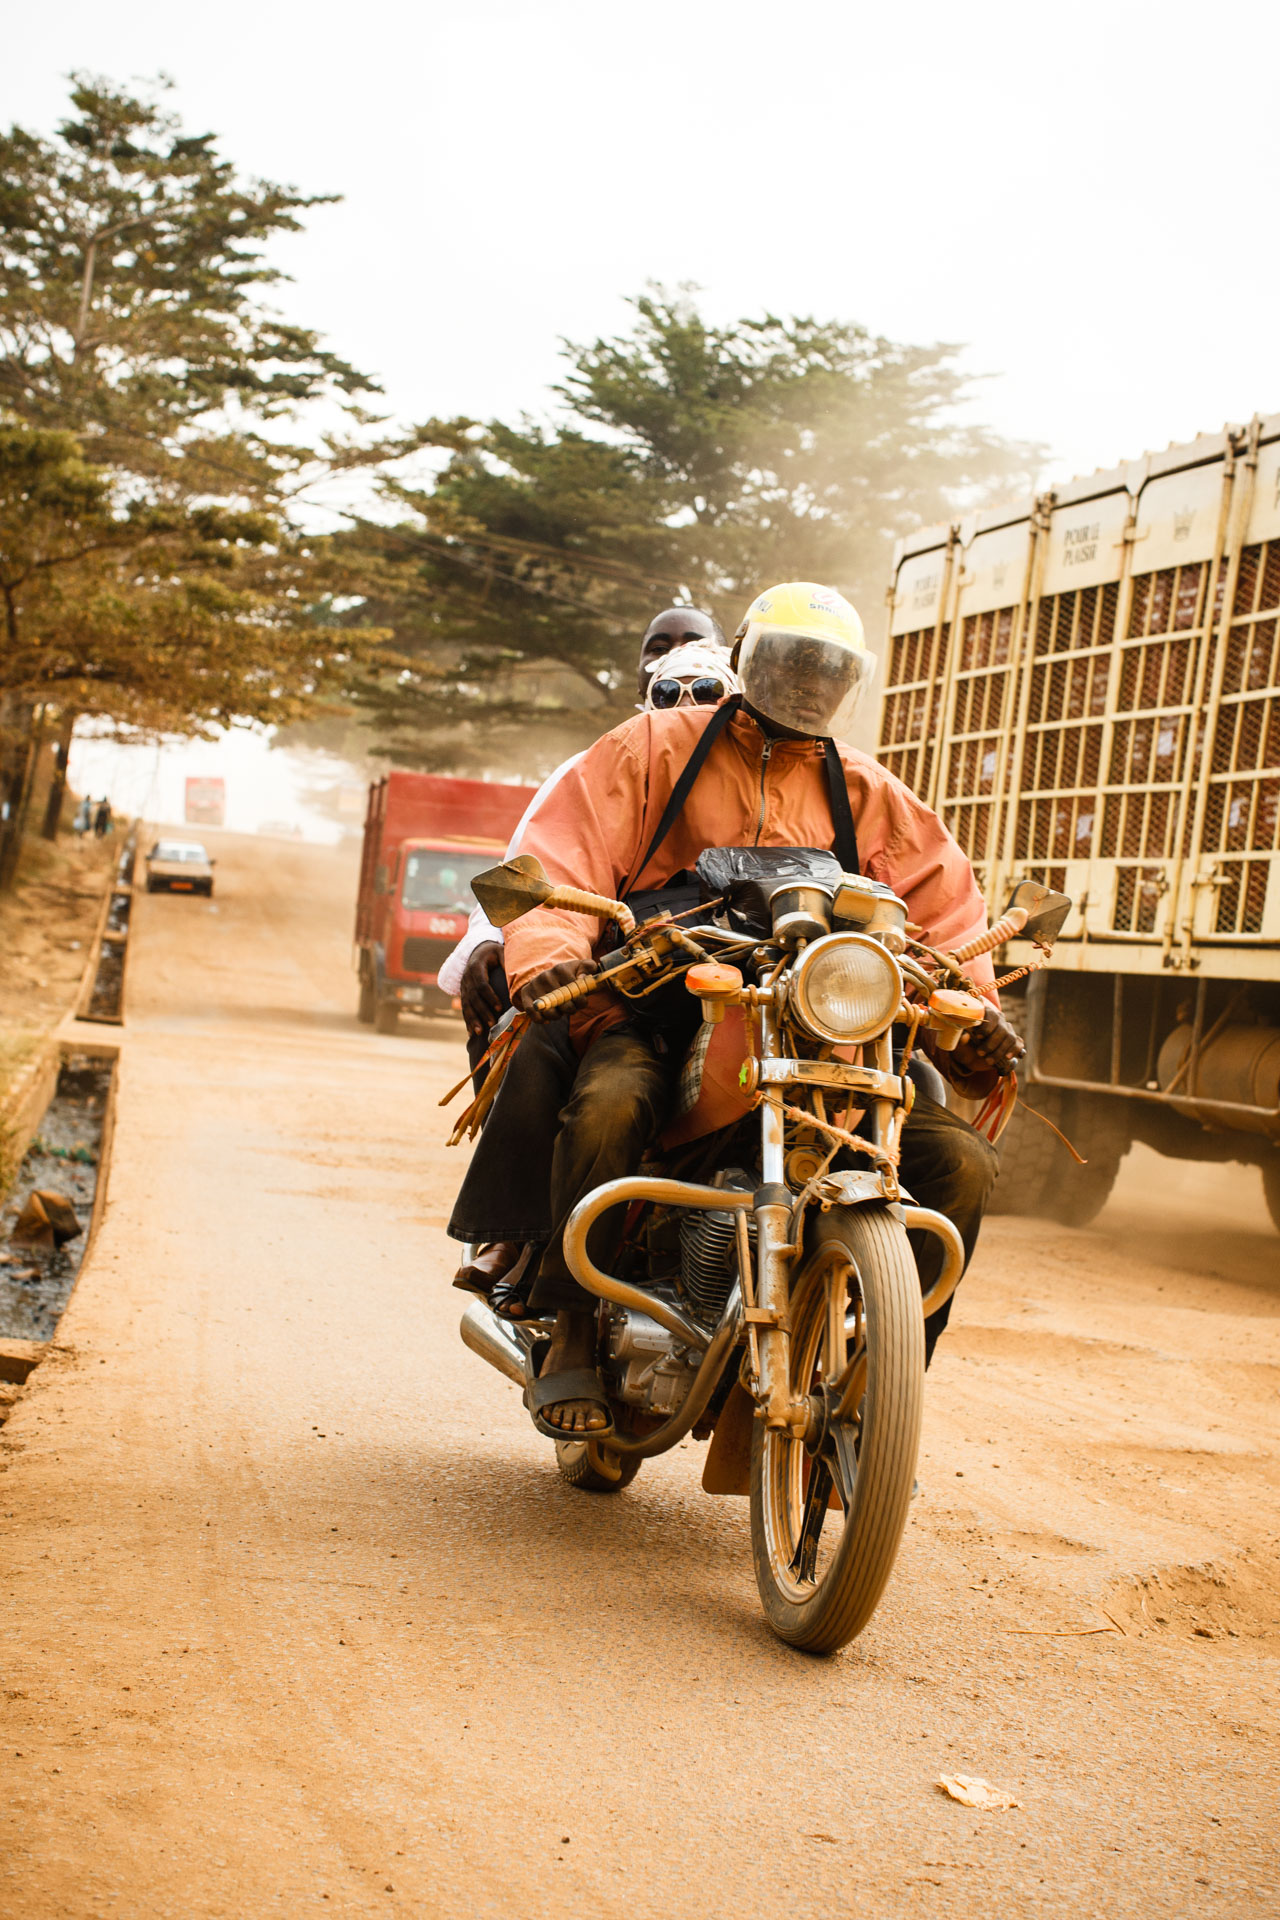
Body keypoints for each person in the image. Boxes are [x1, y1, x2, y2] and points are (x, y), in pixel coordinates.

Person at [453, 582, 1022, 1436]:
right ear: (748, 659)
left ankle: (882, 1384)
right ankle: (569, 1323)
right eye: (790, 661)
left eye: (827, 670)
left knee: (962, 1165)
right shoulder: (650, 748)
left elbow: (945, 918)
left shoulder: (871, 792)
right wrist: (552, 953)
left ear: (850, 683)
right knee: (608, 1103)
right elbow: (564, 855)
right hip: (657, 1008)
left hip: (819, 1028)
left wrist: (972, 1011)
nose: (805, 683)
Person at [447, 631, 741, 1308]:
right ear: (644, 698)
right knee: (546, 1037)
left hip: (743, 994)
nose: (687, 706)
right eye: (668, 692)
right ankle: (525, 1240)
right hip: (622, 987)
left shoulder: (776, 776)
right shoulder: (603, 767)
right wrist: (510, 945)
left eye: (707, 692)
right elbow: (540, 863)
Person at [440, 606, 730, 1037]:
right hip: (609, 973)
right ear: (643, 681)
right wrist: (490, 939)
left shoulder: (767, 769)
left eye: (705, 686)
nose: (677, 658)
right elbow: (530, 868)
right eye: (660, 652)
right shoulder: (590, 767)